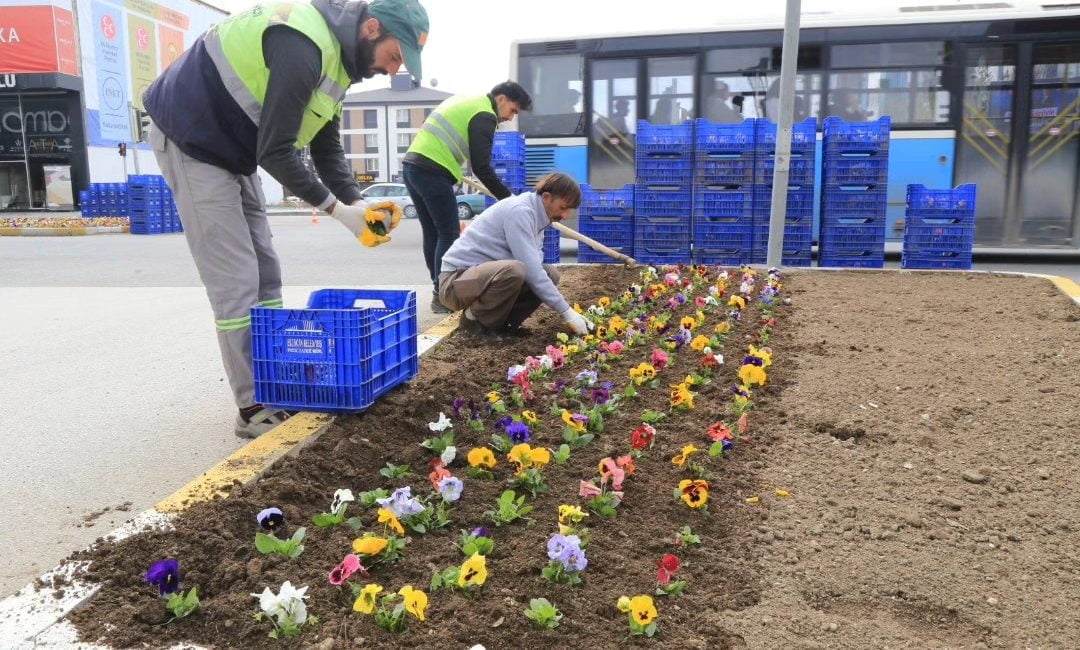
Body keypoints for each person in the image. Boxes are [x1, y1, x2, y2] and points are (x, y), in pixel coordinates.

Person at [142, 0, 430, 438]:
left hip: (231, 148)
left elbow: (326, 148)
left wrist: (357, 203)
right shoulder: (303, 46)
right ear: (371, 28)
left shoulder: (337, 62)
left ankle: (277, 381)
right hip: (190, 137)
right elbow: (275, 152)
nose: (394, 71)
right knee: (237, 280)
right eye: (394, 57)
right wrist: (337, 212)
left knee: (266, 271)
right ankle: (252, 405)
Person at [402, 81, 533, 314]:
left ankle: (438, 291)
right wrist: (510, 200)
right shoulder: (485, 114)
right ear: (501, 99)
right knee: (448, 232)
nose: (511, 118)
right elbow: (482, 167)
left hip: (413, 167)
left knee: (433, 232)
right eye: (513, 110)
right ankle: (442, 294)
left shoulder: (466, 100)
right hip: (433, 170)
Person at [438, 172, 592, 338]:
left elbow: (536, 269)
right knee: (515, 270)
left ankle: (504, 326)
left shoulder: (540, 217)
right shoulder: (520, 212)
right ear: (547, 197)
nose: (565, 215)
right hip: (455, 282)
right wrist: (567, 312)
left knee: (549, 274)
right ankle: (473, 322)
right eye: (563, 208)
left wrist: (571, 313)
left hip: (479, 279)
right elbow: (532, 270)